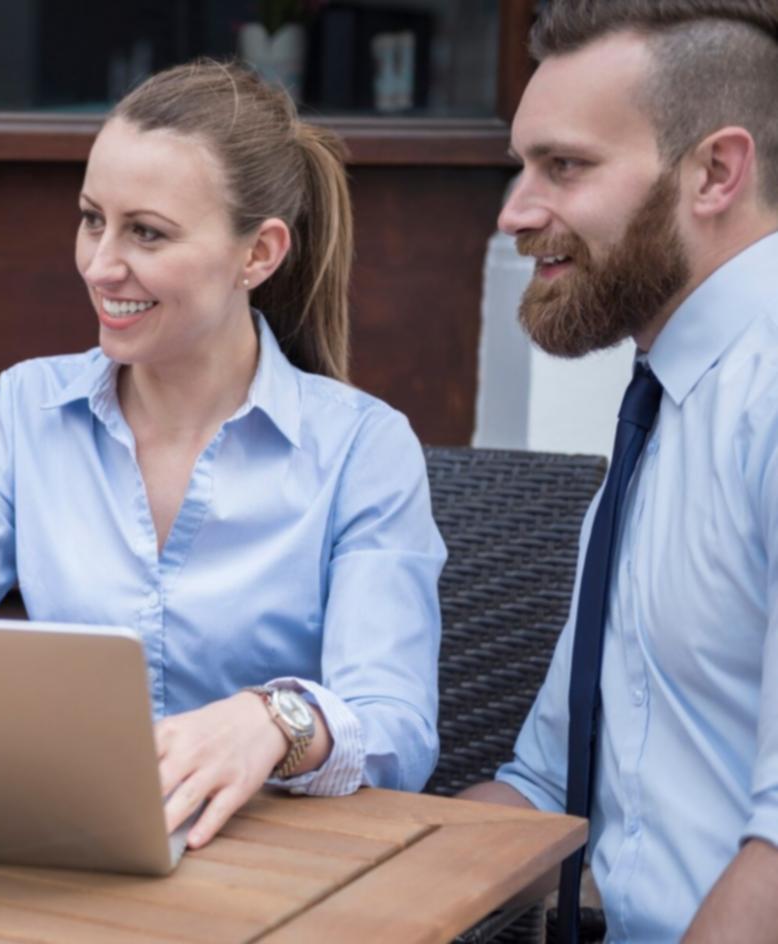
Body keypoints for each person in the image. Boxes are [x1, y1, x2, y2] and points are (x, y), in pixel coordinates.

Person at [0, 60, 445, 849]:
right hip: (65, 847)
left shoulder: (362, 448)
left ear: (259, 254)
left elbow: (397, 731)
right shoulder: (25, 412)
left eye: (147, 232)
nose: (101, 265)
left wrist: (270, 720)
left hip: (275, 871)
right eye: (91, 218)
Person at [457, 2, 778, 940]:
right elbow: (545, 789)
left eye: (565, 167)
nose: (516, 212)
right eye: (523, 167)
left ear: (715, 171)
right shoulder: (667, 405)